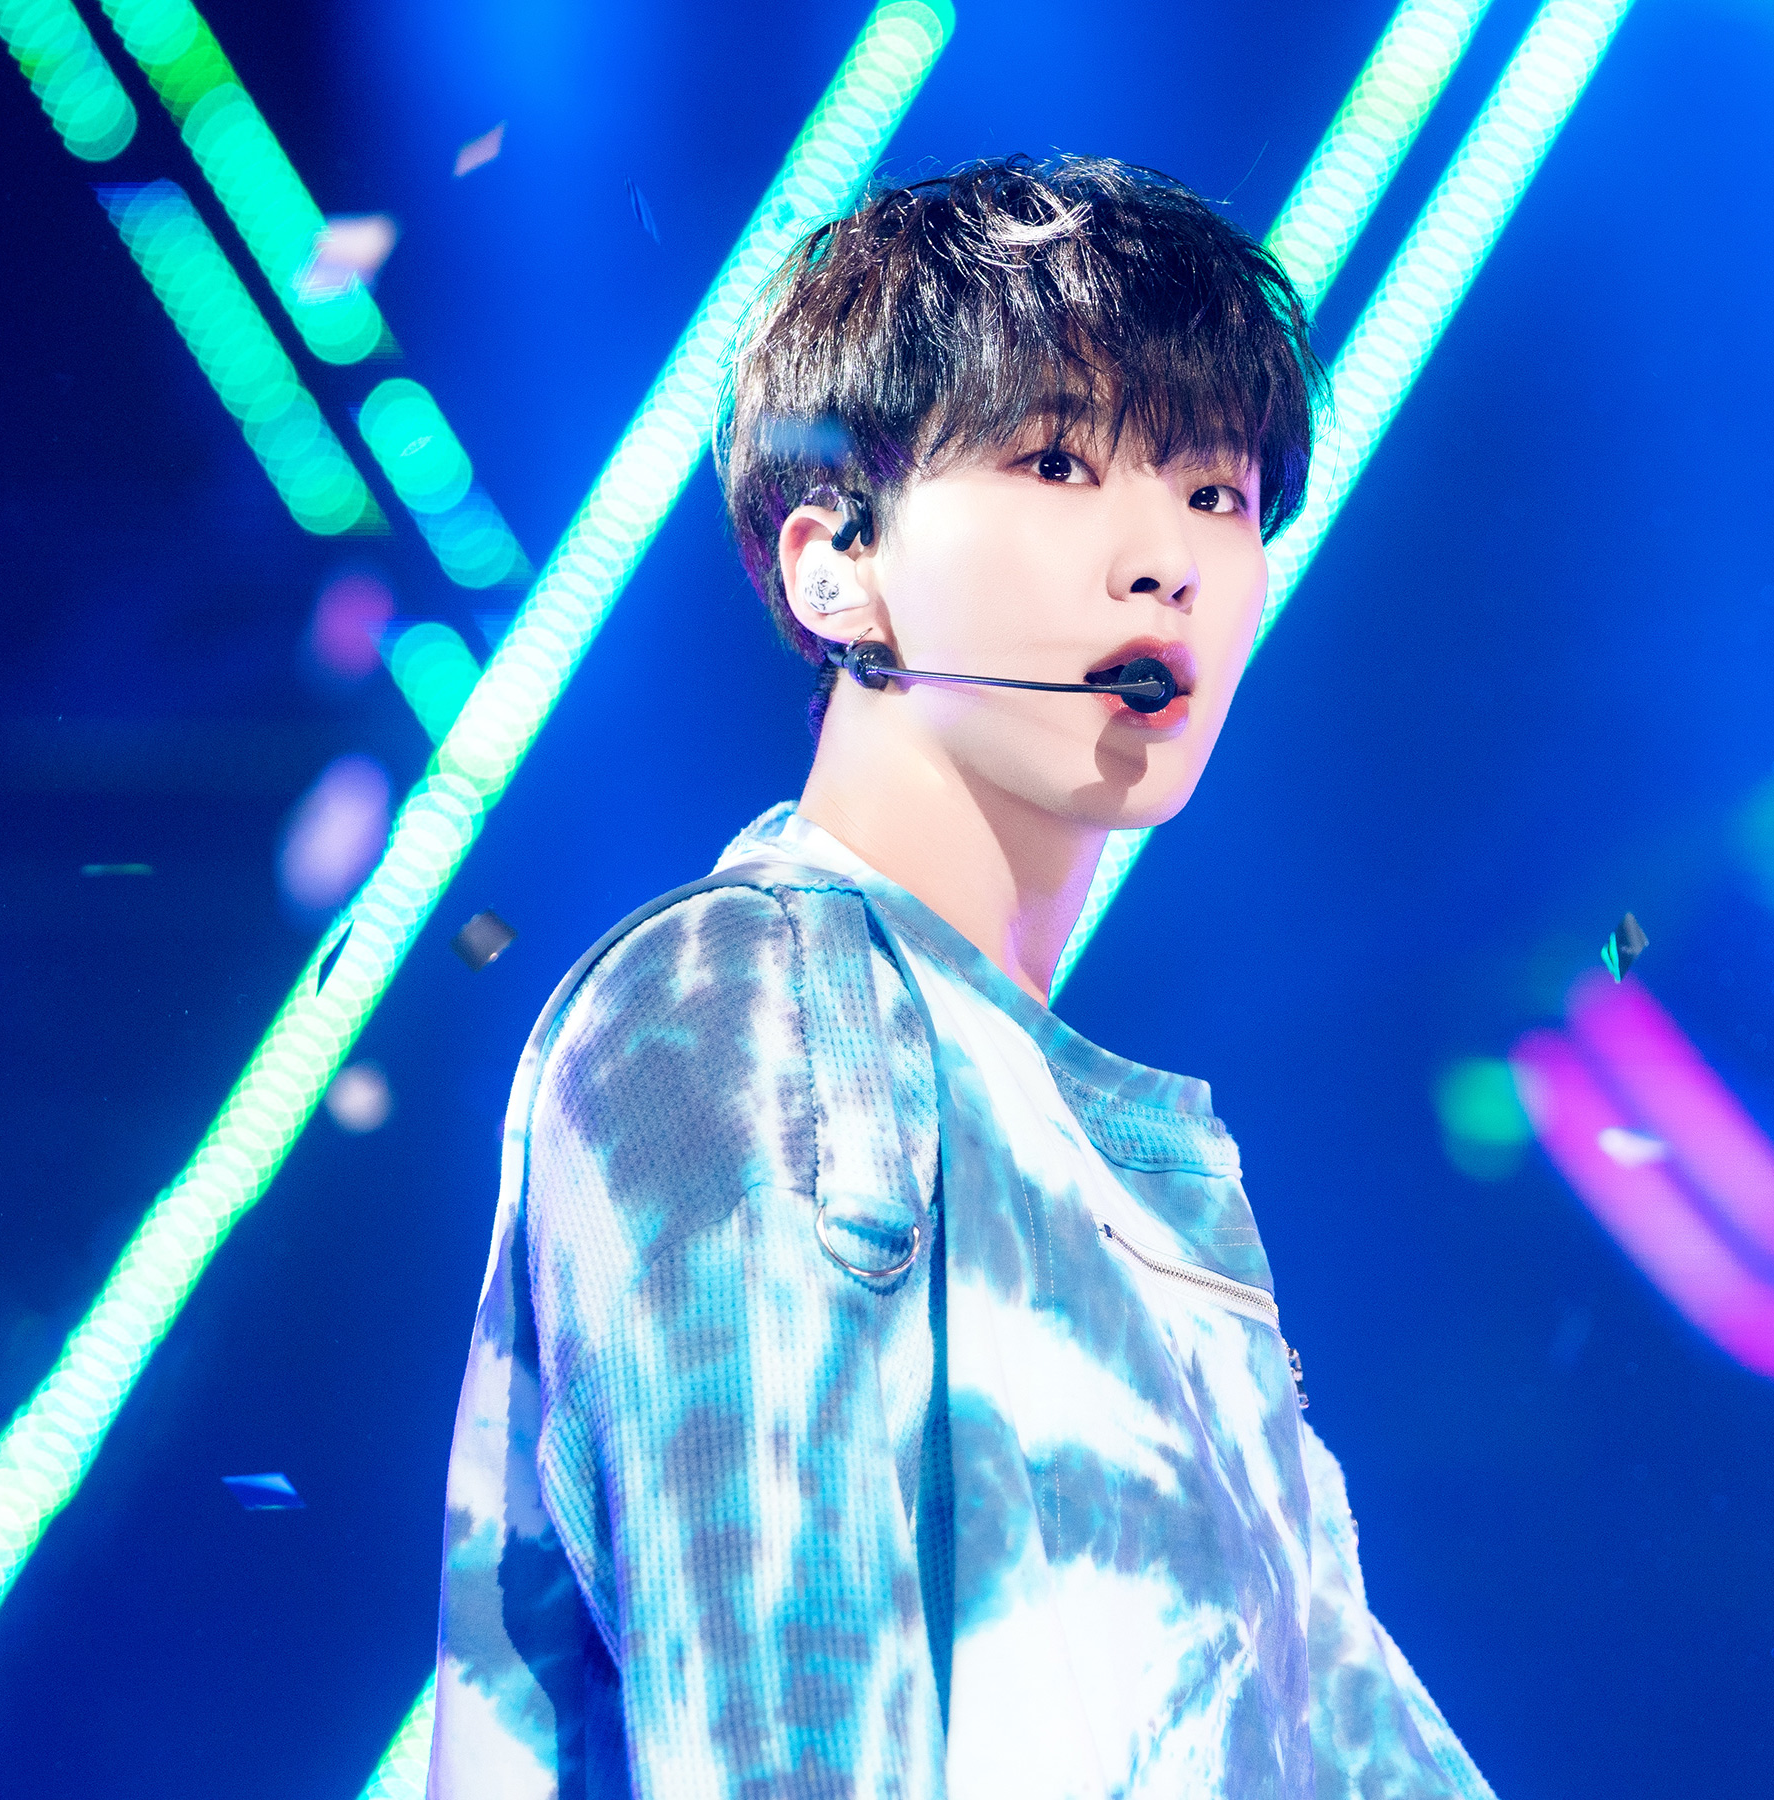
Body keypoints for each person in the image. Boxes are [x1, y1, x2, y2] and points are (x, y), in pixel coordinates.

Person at [431, 154, 1497, 1799]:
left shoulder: (1071, 1139)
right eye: (1059, 461)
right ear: (834, 564)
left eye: (1218, 494)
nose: (1166, 558)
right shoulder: (754, 1005)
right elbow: (784, 1727)